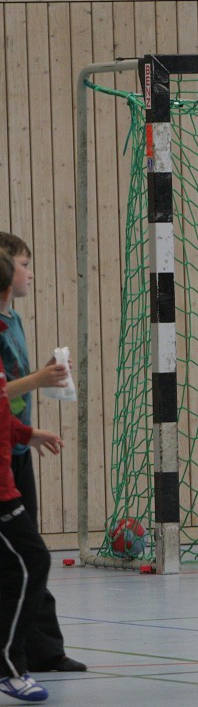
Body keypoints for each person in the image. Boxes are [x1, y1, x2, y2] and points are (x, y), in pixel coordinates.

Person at [0, 234, 83, 675]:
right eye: (24, 264)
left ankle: (43, 650)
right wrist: (38, 379)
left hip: (15, 447)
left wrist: (27, 432)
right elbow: (3, 392)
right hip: (4, 455)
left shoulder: (11, 319)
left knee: (30, 554)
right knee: (26, 555)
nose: (30, 273)